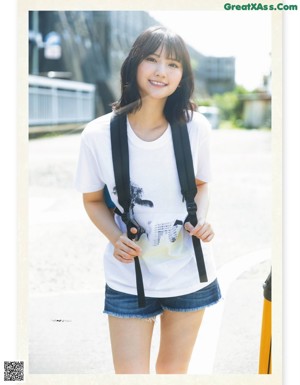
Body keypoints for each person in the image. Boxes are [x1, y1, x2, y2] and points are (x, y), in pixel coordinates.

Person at [75, 25, 221, 374]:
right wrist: (115, 238)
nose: (161, 71)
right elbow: (93, 200)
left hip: (188, 272)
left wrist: (198, 219)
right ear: (134, 65)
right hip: (128, 275)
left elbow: (201, 185)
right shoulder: (98, 134)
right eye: (152, 60)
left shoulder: (195, 127)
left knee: (173, 372)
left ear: (183, 74)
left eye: (173, 64)